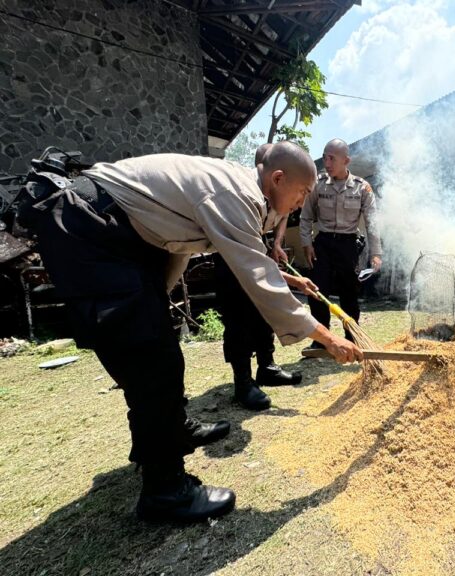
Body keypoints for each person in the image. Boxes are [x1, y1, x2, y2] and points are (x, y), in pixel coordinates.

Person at [22, 142, 362, 523]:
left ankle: (173, 431)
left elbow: (202, 245)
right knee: (153, 359)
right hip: (92, 228)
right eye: (301, 192)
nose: (302, 203)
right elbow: (257, 277)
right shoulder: (236, 194)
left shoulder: (239, 190)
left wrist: (284, 279)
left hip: (114, 230)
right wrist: (328, 338)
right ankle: (166, 491)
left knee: (157, 345)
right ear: (278, 179)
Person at [213, 143, 302, 411]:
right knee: (238, 317)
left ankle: (267, 367)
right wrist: (295, 282)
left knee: (264, 311)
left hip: (258, 243)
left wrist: (276, 244)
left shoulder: (279, 189)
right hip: (231, 248)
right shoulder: (243, 193)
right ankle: (243, 382)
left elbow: (283, 214)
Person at [299, 139, 382, 347]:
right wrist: (307, 243)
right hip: (323, 244)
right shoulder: (318, 184)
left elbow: (372, 223)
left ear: (346, 161)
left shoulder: (362, 188)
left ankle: (352, 337)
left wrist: (376, 253)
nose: (326, 163)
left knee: (349, 293)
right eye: (324, 158)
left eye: (331, 159)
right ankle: (321, 340)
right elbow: (306, 216)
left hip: (348, 245)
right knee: (317, 292)